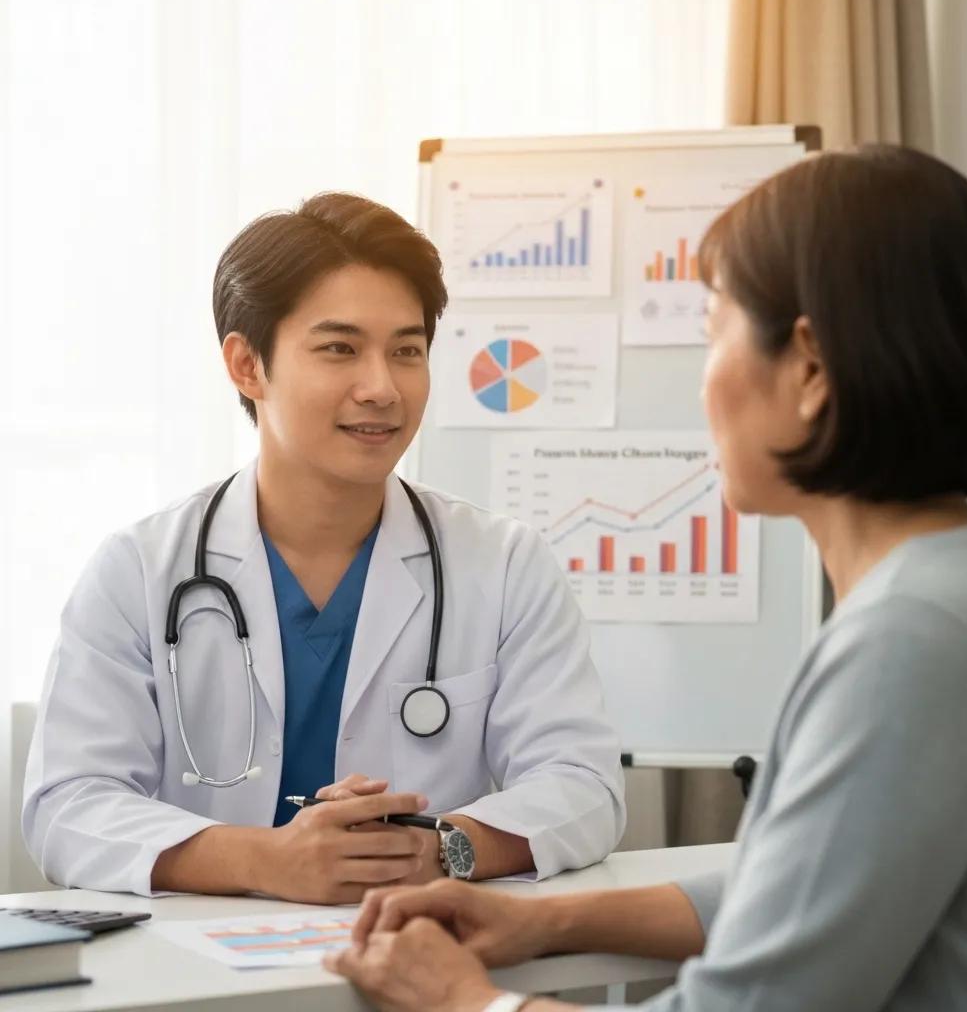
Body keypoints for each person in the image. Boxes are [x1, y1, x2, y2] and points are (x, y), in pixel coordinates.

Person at [324, 145, 967, 1012]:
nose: (702, 387)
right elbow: (803, 891)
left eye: (713, 335)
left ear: (809, 369)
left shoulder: (910, 643)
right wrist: (549, 921)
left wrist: (464, 1001)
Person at [22, 193, 625, 903]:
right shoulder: (140, 571)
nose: (382, 388)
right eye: (340, 348)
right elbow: (67, 804)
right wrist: (263, 860)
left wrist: (441, 849)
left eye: (406, 351)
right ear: (247, 365)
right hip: (200, 956)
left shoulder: (503, 564)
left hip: (419, 946)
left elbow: (584, 784)